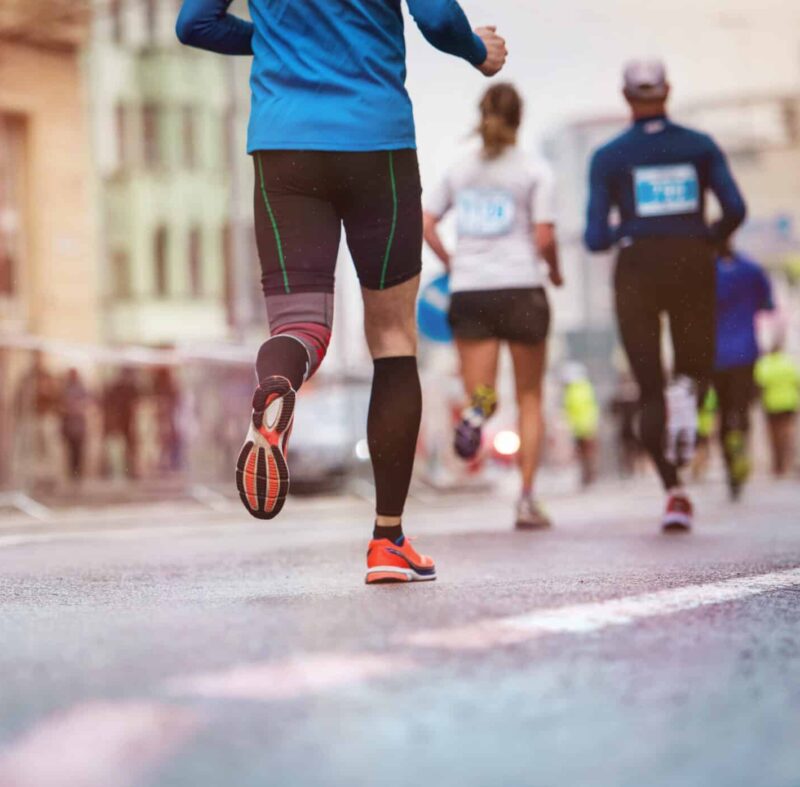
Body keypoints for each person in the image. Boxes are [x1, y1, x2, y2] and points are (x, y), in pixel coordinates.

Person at [176, 0, 507, 583]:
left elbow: (194, 24)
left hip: (284, 147)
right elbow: (436, 19)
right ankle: (387, 541)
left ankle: (276, 389)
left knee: (300, 326)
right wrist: (478, 52)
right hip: (375, 144)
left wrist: (279, 43)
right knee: (393, 338)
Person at [584, 60, 746, 531]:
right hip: (692, 259)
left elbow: (595, 238)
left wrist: (629, 228)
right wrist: (706, 236)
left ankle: (674, 492)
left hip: (636, 266)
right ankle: (687, 396)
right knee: (694, 367)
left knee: (648, 386)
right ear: (667, 91)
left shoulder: (608, 157)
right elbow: (735, 208)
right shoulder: (699, 147)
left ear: (626, 96)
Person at [422, 83, 563, 530]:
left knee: (482, 392)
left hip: (472, 291)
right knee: (529, 397)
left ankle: (475, 414)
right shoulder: (534, 170)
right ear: (519, 119)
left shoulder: (460, 170)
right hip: (522, 288)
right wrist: (554, 272)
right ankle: (526, 497)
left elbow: (425, 221)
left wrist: (452, 264)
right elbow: (543, 236)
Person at [712, 243, 775, 498]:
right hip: (745, 351)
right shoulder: (752, 269)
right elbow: (768, 304)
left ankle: (730, 467)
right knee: (741, 407)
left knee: (724, 410)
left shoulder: (706, 270)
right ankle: (741, 438)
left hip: (715, 353)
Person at [755, 342, 800, 477]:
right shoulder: (789, 364)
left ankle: (778, 463)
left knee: (774, 435)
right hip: (789, 403)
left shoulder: (764, 365)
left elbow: (759, 384)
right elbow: (797, 382)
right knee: (787, 431)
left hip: (771, 404)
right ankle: (787, 458)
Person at [562, 363, 599, 489]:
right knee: (585, 453)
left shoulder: (576, 390)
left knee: (586, 452)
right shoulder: (584, 387)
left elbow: (578, 409)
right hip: (581, 426)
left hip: (584, 426)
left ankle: (589, 475)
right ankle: (588, 474)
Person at [60, 368, 90, 483]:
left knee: (78, 451)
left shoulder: (81, 389)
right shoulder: (65, 388)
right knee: (71, 451)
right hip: (69, 426)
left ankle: (77, 474)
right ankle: (72, 474)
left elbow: (88, 403)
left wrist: (77, 407)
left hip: (79, 426)